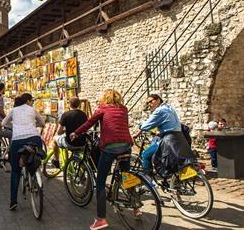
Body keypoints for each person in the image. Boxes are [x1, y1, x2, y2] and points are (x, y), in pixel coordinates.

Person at [70, 89, 133, 230]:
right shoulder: (124, 109)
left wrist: (76, 132)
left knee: (100, 182)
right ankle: (135, 207)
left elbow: (89, 123)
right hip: (126, 146)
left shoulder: (102, 109)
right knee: (127, 177)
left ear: (104, 98)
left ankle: (101, 219)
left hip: (110, 147)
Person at [2, 93, 45, 211]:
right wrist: (34, 124)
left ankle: (13, 201)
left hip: (18, 141)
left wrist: (14, 124)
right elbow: (43, 123)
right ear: (27, 101)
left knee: (15, 171)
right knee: (35, 163)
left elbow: (3, 123)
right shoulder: (32, 110)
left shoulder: (13, 111)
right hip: (34, 139)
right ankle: (36, 180)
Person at [135, 94, 184, 174]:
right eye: (148, 103)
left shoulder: (159, 111)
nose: (149, 104)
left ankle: (148, 181)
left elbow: (146, 126)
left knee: (146, 155)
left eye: (151, 101)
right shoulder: (169, 108)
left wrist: (139, 127)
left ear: (158, 100)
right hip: (178, 137)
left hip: (168, 140)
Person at [51, 97, 88, 169]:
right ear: (79, 104)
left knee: (54, 140)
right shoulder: (84, 114)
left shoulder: (66, 115)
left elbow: (59, 132)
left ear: (69, 104)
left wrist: (65, 130)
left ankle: (56, 160)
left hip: (70, 143)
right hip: (82, 143)